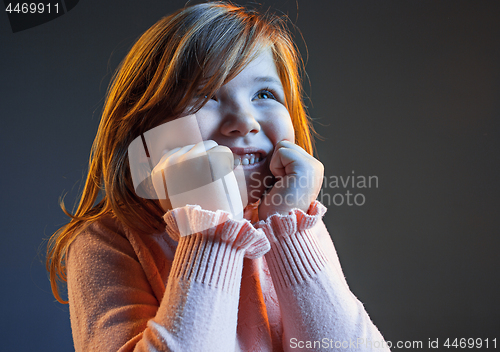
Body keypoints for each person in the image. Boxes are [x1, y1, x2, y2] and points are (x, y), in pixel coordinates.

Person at [47, 2, 390, 351]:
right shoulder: (105, 243)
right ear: (145, 135)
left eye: (264, 94)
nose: (245, 120)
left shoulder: (290, 223)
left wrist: (289, 228)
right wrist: (209, 229)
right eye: (205, 96)